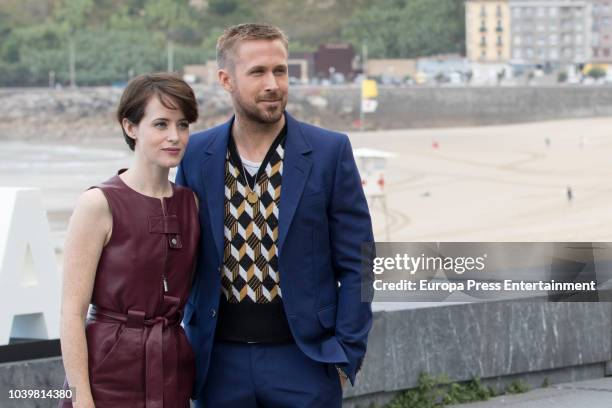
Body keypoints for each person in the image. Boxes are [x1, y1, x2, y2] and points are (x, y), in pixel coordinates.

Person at [176, 23, 374, 407]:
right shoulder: (196, 155)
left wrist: (346, 352)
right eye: (257, 72)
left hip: (305, 362)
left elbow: (360, 261)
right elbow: (181, 257)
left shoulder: (329, 151)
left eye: (280, 71)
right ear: (226, 79)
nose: (273, 84)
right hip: (219, 366)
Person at [58, 73, 200, 408]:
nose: (174, 137)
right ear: (131, 127)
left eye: (182, 125)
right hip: (107, 368)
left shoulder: (190, 204)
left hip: (171, 366)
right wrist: (81, 400)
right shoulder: (98, 204)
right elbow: (71, 312)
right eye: (161, 124)